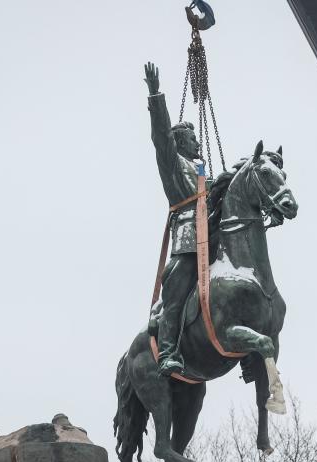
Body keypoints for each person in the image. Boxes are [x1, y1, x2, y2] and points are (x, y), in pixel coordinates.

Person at [144, 61, 203, 377]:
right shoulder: (172, 162)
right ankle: (168, 351)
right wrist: (156, 97)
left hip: (212, 237)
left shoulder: (203, 171)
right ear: (180, 142)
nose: (197, 143)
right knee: (179, 288)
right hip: (187, 238)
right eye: (191, 139)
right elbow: (161, 137)